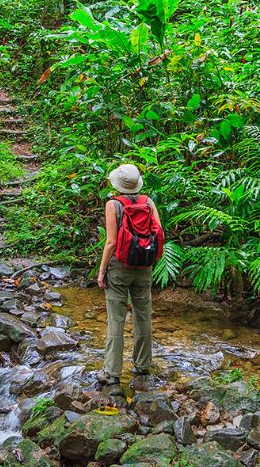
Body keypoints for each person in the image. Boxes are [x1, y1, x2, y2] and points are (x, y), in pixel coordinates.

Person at [96, 164, 163, 385]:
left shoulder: (113, 205)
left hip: (119, 268)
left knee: (116, 319)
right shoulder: (148, 202)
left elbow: (111, 242)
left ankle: (111, 372)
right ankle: (143, 365)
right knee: (143, 316)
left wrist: (102, 270)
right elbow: (159, 233)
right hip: (144, 267)